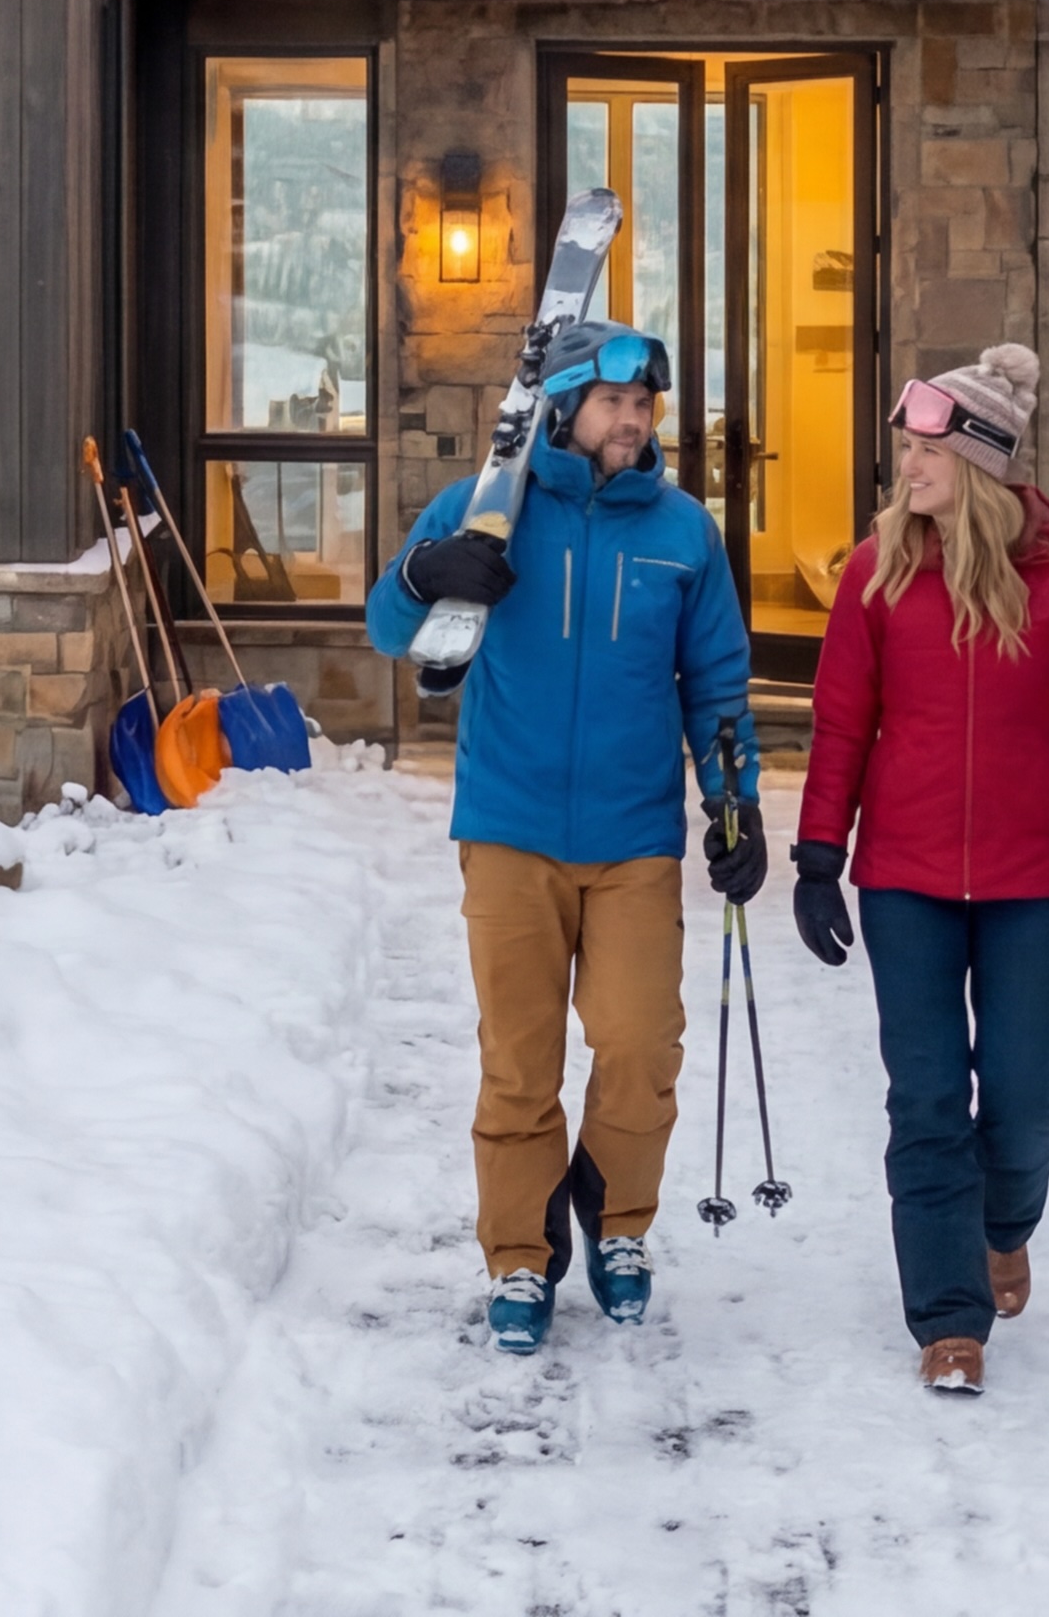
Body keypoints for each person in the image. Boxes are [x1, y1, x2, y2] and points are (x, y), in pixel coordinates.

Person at [783, 342, 1049, 1398]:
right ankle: (947, 1318)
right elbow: (838, 724)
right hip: (904, 879)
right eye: (905, 449)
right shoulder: (875, 572)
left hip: (1027, 883)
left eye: (922, 449)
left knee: (1021, 1099)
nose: (902, 468)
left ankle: (1002, 1229)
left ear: (977, 462)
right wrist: (820, 854)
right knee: (923, 1099)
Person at [369, 321, 763, 1358]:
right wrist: (422, 576)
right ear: (563, 408)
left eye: (644, 407)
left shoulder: (682, 534)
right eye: (612, 404)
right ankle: (517, 1250)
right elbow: (385, 624)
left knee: (640, 1044)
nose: (631, 422)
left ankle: (615, 1219)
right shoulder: (486, 512)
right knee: (519, 1058)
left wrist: (734, 805)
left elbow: (716, 685)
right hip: (508, 824)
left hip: (633, 836)